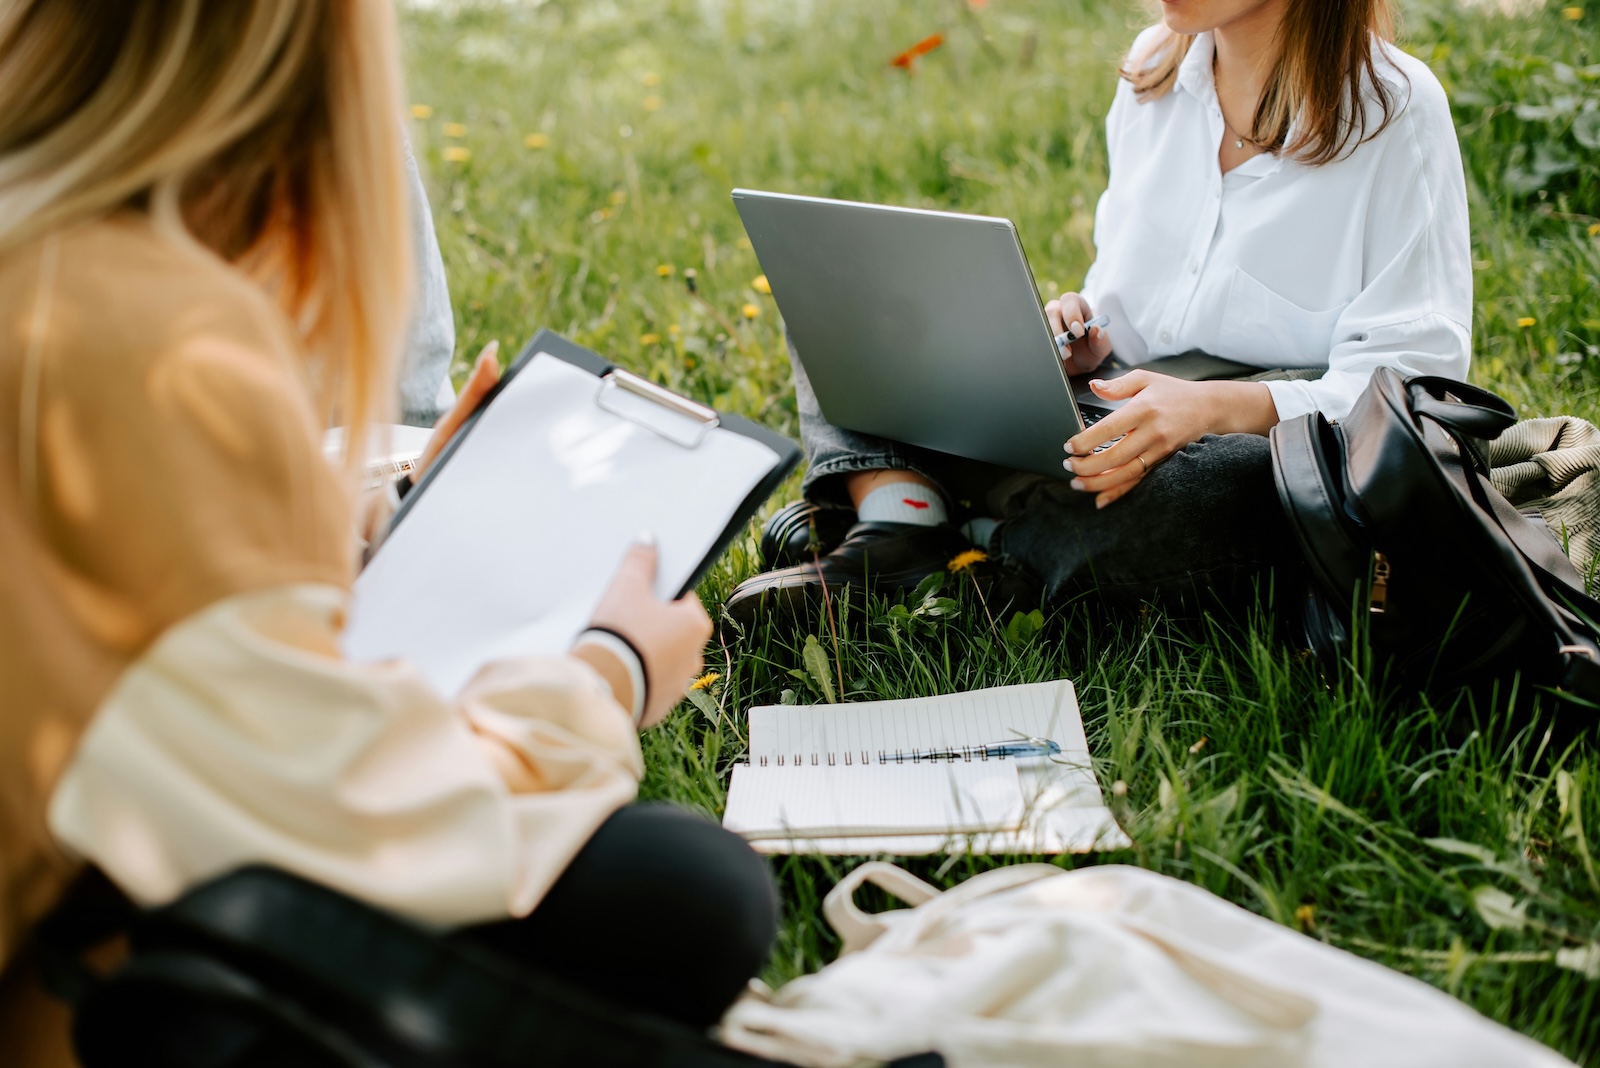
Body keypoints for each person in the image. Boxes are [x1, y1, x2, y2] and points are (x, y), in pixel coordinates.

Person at [0, 2, 776, 1064]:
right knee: (683, 886)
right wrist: (609, 673)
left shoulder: (45, 256)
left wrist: (340, 517)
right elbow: (361, 824)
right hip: (72, 974)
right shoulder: (149, 328)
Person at [726, 0, 1471, 622]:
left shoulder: (1393, 110)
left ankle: (927, 529)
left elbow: (1408, 388)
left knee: (1191, 500)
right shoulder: (1158, 68)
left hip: (1261, 439)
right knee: (857, 294)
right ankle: (907, 528)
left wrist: (1214, 408)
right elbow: (1135, 306)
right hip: (1126, 403)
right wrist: (1083, 333)